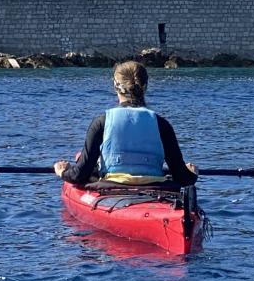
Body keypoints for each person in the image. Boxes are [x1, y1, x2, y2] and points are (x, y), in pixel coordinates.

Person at [53, 60, 197, 187]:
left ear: (116, 87)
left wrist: (63, 172)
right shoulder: (162, 124)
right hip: (155, 186)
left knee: (82, 159)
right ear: (145, 86)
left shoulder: (101, 123)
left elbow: (79, 175)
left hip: (111, 186)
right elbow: (183, 178)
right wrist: (192, 173)